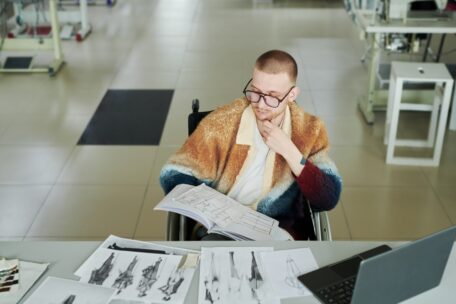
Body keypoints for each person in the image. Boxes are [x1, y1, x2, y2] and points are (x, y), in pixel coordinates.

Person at [160, 50, 342, 240]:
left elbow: (328, 198)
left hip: (280, 230)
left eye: (272, 96)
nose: (261, 104)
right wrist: (206, 206)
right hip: (222, 229)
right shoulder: (223, 122)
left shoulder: (309, 130)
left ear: (292, 94)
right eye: (255, 92)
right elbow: (174, 172)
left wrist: (289, 151)